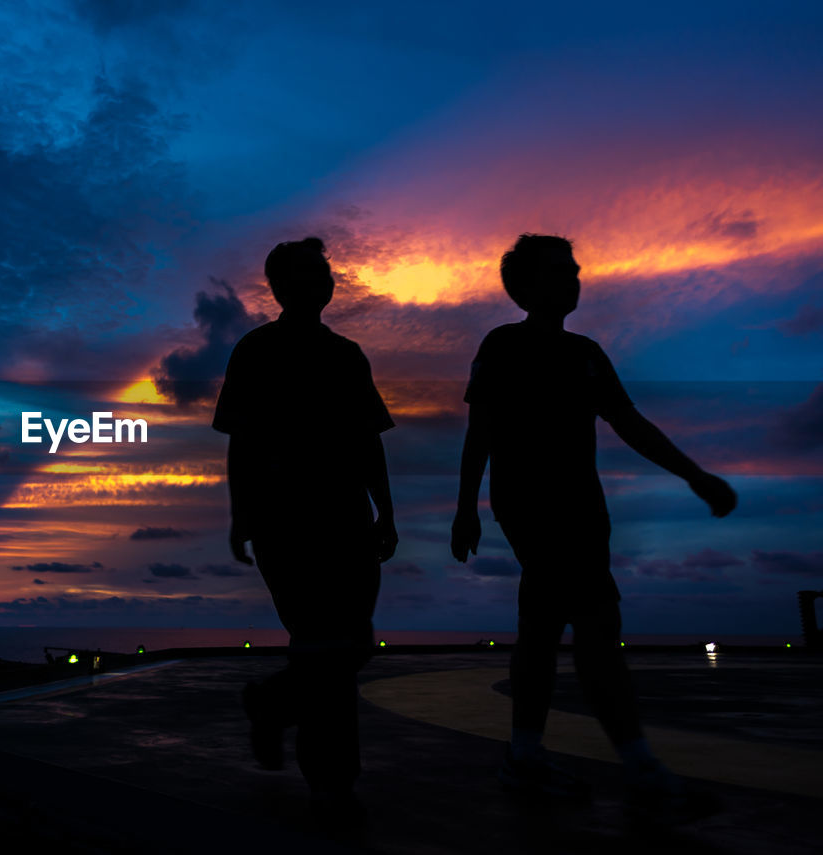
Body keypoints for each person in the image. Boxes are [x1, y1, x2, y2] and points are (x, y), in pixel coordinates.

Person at [451, 233, 737, 822]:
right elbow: (481, 429)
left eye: (575, 270)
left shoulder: (587, 353)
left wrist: (693, 474)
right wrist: (465, 507)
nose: (574, 279)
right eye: (559, 271)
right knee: (597, 624)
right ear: (524, 287)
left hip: (584, 507)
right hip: (532, 505)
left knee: (543, 628)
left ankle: (526, 756)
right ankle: (639, 769)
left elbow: (629, 421)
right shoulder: (503, 345)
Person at [213, 236, 398, 830]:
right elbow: (240, 441)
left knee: (350, 646)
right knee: (324, 647)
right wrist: (242, 514)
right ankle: (332, 784)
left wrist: (385, 510)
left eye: (326, 271)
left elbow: (369, 439)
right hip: (285, 520)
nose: (326, 278)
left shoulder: (348, 355)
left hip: (347, 518)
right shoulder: (256, 350)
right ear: (283, 284)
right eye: (314, 271)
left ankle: (272, 704)